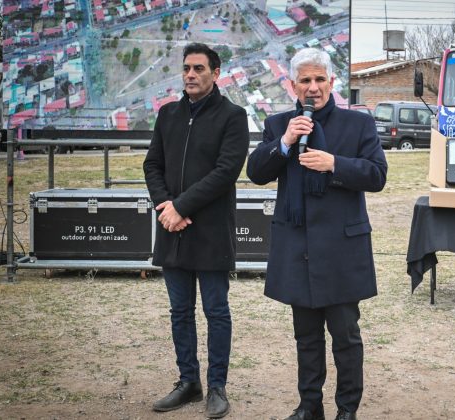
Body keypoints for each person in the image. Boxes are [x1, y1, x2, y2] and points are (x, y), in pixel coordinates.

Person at [246, 48, 387, 420]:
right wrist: (286, 143)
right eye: (305, 81)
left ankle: (346, 411)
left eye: (319, 79)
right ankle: (310, 407)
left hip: (342, 249)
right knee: (306, 338)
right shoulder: (279, 124)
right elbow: (256, 172)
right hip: (297, 248)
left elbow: (377, 176)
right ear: (293, 85)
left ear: (332, 82)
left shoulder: (359, 125)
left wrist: (334, 164)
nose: (312, 88)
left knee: (346, 337)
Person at [143, 43, 249, 418]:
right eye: (186, 68)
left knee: (216, 311)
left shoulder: (234, 116)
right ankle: (189, 381)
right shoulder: (167, 114)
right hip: (172, 229)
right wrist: (166, 206)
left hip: (211, 233)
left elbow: (226, 171)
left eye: (199, 69)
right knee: (179, 311)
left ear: (216, 73)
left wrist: (181, 207)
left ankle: (217, 387)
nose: (190, 74)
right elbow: (152, 165)